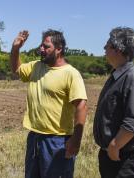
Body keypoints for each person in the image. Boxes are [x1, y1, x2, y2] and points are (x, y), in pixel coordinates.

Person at [11, 29, 88, 178]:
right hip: (35, 138)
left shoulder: (70, 74)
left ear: (59, 49)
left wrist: (76, 141)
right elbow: (16, 69)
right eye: (41, 45)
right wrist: (16, 48)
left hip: (57, 141)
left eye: (46, 47)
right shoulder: (36, 67)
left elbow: (81, 106)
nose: (41, 49)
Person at [93, 27, 134, 178]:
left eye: (108, 44)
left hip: (125, 158)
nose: (104, 47)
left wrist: (115, 146)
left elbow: (133, 122)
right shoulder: (117, 75)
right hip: (114, 154)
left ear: (118, 50)